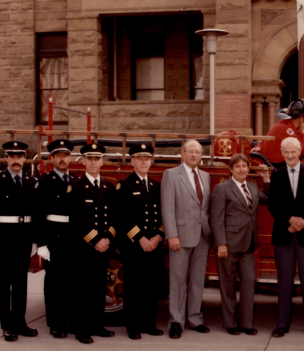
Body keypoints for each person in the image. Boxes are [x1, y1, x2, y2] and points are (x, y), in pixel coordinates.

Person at [268, 137, 304, 338]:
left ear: (300, 151)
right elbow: (273, 205)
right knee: (284, 280)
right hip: (284, 234)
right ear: (282, 153)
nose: (290, 155)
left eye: (293, 151)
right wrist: (290, 220)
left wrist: (301, 222)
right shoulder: (277, 175)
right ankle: (282, 323)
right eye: (286, 152)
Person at [0, 141, 38, 342]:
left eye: (20, 156)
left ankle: (20, 322)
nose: (16, 160)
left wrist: (35, 241)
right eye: (12, 156)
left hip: (24, 238)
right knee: (5, 283)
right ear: (6, 158)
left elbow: (35, 214)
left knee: (21, 282)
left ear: (25, 158)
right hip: (4, 238)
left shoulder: (32, 181)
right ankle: (7, 326)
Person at [211, 154, 270, 335]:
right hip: (228, 245)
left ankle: (246, 323)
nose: (242, 169)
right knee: (227, 286)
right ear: (230, 169)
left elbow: (268, 200)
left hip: (248, 244)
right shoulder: (222, 189)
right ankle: (230, 324)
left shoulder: (252, 186)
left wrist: (266, 179)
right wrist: (221, 243)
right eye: (238, 166)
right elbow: (216, 219)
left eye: (245, 166)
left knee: (249, 282)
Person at [161, 139, 212, 339]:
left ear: (201, 156)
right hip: (180, 237)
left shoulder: (206, 176)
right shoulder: (171, 175)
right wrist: (171, 235)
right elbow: (167, 207)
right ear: (182, 154)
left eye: (197, 152)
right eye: (190, 151)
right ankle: (176, 321)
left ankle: (195, 319)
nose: (193, 155)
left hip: (202, 236)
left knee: (198, 281)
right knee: (178, 281)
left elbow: (204, 208)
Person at [67, 142, 117, 344]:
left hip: (103, 247)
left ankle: (97, 325)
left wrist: (107, 239)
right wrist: (96, 240)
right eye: (90, 159)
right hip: (84, 247)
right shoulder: (76, 187)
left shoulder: (109, 187)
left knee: (99, 287)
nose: (94, 162)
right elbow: (76, 217)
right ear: (84, 161)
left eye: (97, 159)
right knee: (82, 288)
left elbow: (115, 217)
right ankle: (82, 328)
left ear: (102, 162)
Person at [116, 144, 166, 340]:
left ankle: (149, 324)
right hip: (134, 246)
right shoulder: (125, 185)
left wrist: (158, 236)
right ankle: (133, 326)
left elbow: (163, 215)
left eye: (147, 158)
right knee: (134, 287)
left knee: (151, 287)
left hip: (153, 245)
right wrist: (141, 239)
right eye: (140, 158)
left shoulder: (156, 186)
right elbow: (122, 215)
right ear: (132, 161)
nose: (144, 162)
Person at [35, 139, 78, 339]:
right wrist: (41, 243)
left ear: (70, 158)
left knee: (71, 280)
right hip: (54, 238)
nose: (63, 159)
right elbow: (38, 214)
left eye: (66, 155)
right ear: (52, 158)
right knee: (54, 281)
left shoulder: (77, 181)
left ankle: (68, 319)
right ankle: (55, 322)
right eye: (58, 155)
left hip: (73, 237)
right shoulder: (44, 182)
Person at [251, 99, 304, 168]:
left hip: (281, 164)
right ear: (301, 118)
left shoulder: (287, 125)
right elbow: (303, 151)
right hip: (277, 166)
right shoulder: (287, 129)